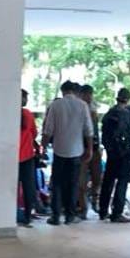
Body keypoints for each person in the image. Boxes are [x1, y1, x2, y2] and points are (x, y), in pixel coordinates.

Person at [41, 81, 93, 225]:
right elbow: (88, 130)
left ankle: (56, 216)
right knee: (73, 184)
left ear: (63, 91)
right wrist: (89, 149)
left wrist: (43, 147)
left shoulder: (56, 105)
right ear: (75, 91)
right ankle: (70, 216)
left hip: (59, 151)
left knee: (57, 183)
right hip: (76, 152)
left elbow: (48, 129)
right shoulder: (82, 105)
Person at [99, 87, 130, 222]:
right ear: (128, 100)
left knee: (108, 182)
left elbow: (104, 134)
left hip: (112, 154)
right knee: (122, 183)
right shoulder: (129, 114)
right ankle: (117, 213)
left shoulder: (109, 113)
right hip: (125, 153)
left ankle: (103, 211)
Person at [76, 84, 102, 219]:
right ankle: (83, 208)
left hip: (95, 148)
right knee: (81, 181)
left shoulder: (94, 109)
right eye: (87, 94)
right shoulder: (79, 109)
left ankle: (95, 200)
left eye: (91, 94)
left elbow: (95, 131)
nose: (89, 97)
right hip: (82, 149)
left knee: (97, 178)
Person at [18, 89, 38, 227]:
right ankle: (27, 216)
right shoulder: (28, 114)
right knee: (28, 187)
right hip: (26, 156)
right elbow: (34, 133)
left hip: (10, 157)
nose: (27, 100)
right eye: (25, 97)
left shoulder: (6, 113)